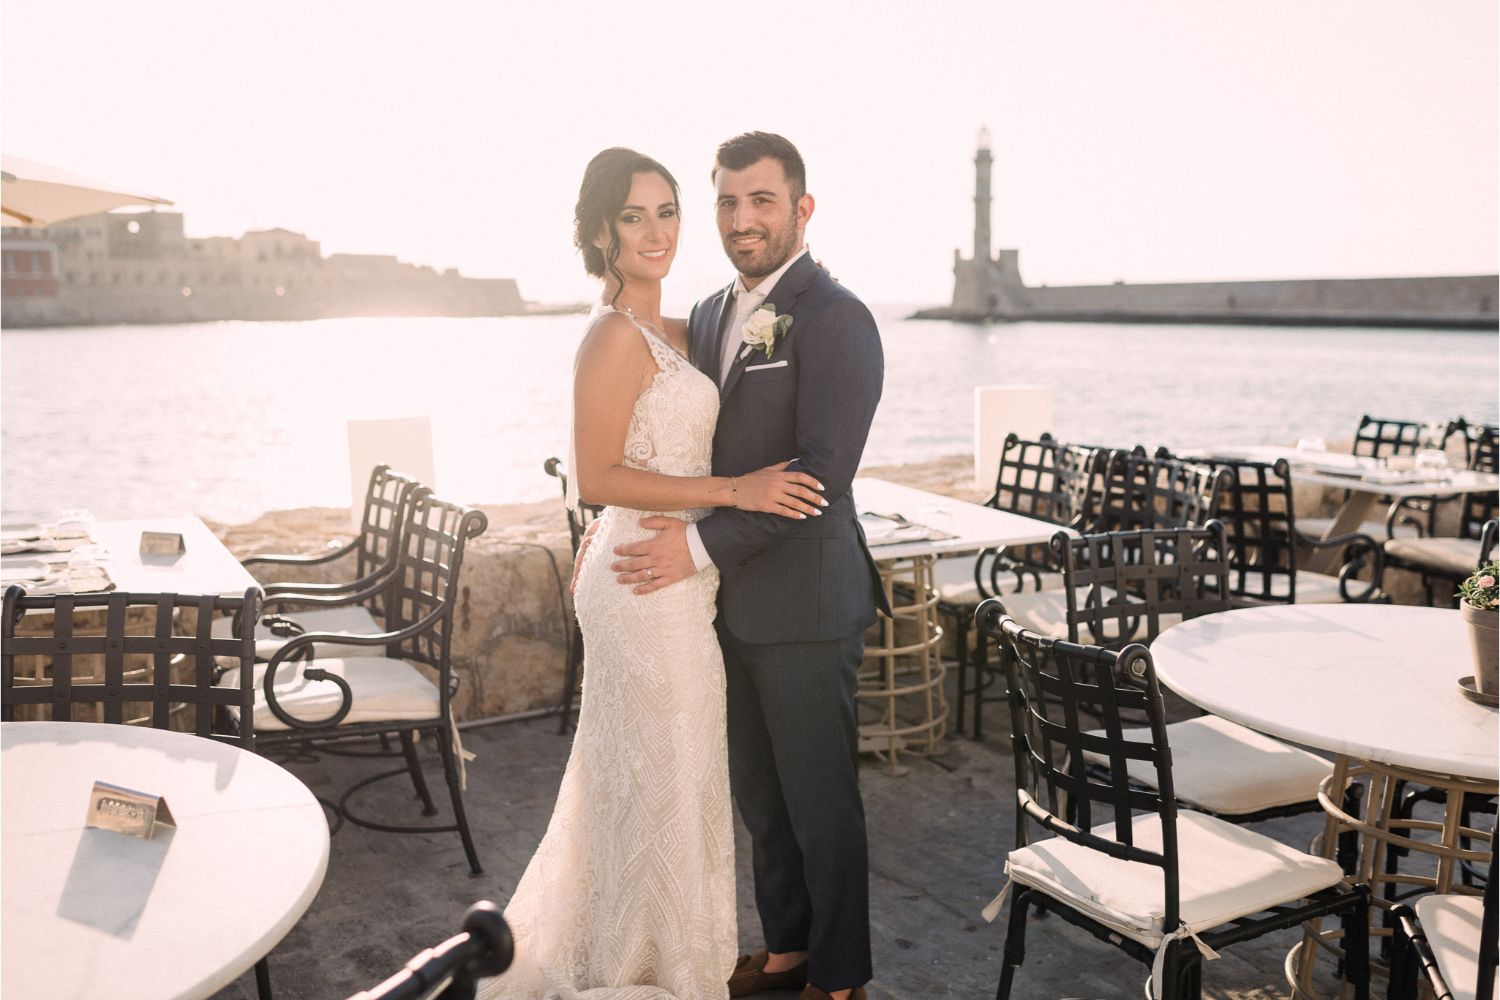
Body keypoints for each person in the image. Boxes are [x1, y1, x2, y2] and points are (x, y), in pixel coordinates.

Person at [483, 147, 824, 1000]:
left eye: (668, 210)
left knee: (668, 778)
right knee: (661, 777)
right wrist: (734, 490)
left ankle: (656, 956)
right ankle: (653, 970)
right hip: (646, 587)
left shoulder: (686, 329)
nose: (656, 230)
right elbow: (597, 474)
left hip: (668, 577)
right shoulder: (609, 336)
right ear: (601, 231)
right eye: (634, 215)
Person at [610, 132, 886, 1000]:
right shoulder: (710, 312)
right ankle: (789, 951)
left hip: (805, 606)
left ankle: (840, 981)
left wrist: (692, 548)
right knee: (763, 798)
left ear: (801, 209)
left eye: (762, 200)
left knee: (820, 802)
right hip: (729, 609)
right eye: (727, 201)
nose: (742, 219)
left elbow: (814, 480)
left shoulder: (839, 318)